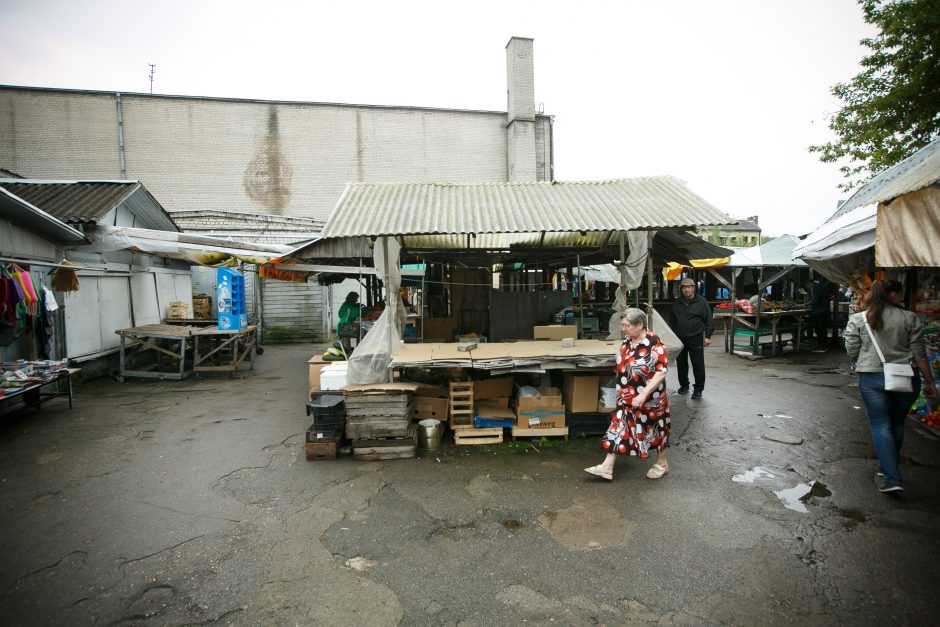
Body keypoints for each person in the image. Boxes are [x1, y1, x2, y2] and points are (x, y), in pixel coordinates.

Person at [843, 279, 937, 494]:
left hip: (872, 376)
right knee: (896, 423)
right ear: (893, 294)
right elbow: (920, 354)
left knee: (880, 425)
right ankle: (886, 469)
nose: (902, 297)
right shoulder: (910, 318)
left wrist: (859, 360)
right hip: (905, 376)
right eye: (900, 293)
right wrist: (930, 381)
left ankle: (891, 475)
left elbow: (851, 345)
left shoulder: (860, 319)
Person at [584, 308, 671, 481]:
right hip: (626, 397)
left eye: (627, 326)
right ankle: (607, 467)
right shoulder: (627, 341)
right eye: (623, 325)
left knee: (656, 429)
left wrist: (644, 394)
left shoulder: (654, 344)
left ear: (639, 325)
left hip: (650, 400)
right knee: (620, 426)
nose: (623, 329)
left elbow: (661, 372)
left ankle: (662, 463)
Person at [669, 277, 714, 400]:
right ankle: (684, 385)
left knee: (698, 364)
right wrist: (671, 336)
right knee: (681, 365)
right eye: (684, 287)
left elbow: (708, 319)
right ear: (681, 289)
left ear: (693, 288)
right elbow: (672, 320)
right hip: (679, 338)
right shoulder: (677, 302)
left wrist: (708, 336)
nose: (686, 290)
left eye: (689, 287)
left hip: (695, 337)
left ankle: (698, 389)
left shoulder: (701, 302)